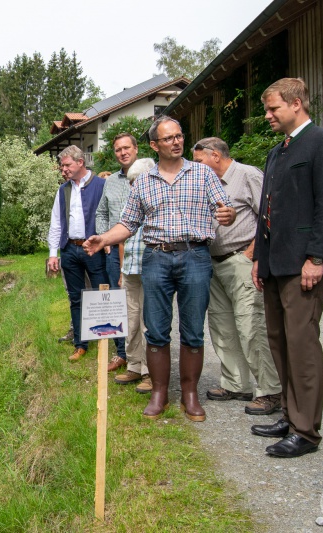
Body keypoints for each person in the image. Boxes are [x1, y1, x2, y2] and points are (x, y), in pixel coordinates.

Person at [83, 116, 236, 422]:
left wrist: (227, 214)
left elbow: (224, 207)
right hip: (156, 259)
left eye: (179, 136)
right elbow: (127, 223)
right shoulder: (143, 182)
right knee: (156, 329)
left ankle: (190, 396)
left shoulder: (203, 174)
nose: (176, 142)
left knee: (193, 330)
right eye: (168, 138)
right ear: (154, 145)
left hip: (195, 256)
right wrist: (103, 239)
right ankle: (160, 394)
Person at [250, 78, 323, 458]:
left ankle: (305, 432)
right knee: (279, 339)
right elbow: (267, 209)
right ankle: (290, 416)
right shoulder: (277, 152)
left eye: (273, 108)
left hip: (306, 262)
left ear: (296, 104)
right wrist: (259, 255)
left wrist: (317, 258)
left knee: (302, 342)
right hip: (275, 262)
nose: (268, 115)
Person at [192, 137, 282, 416]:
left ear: (215, 155)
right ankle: (236, 383)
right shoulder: (206, 182)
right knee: (221, 326)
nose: (195, 166)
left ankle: (270, 391)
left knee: (251, 326)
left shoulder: (248, 175)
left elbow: (270, 215)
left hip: (241, 259)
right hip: (213, 263)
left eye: (198, 160)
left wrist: (252, 254)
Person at [47, 145, 107, 362]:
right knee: (76, 298)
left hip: (94, 248)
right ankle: (80, 344)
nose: (63, 170)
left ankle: (105, 340)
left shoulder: (101, 184)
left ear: (80, 162)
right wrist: (53, 253)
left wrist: (107, 240)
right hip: (69, 249)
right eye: (61, 166)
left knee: (101, 295)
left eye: (66, 165)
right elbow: (56, 222)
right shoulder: (63, 190)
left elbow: (109, 215)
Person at [111, 157, 155, 394]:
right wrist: (120, 270)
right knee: (130, 319)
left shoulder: (159, 198)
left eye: (136, 181)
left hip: (151, 268)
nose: (133, 186)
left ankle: (151, 371)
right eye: (131, 182)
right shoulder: (131, 200)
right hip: (130, 268)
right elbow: (123, 236)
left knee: (150, 322)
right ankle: (134, 365)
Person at [95, 133, 138, 373]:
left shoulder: (149, 173)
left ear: (136, 149)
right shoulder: (110, 181)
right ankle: (121, 353)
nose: (122, 153)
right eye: (118, 150)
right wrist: (105, 239)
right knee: (117, 301)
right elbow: (101, 213)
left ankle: (143, 357)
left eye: (126, 148)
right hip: (114, 251)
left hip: (143, 248)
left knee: (142, 302)